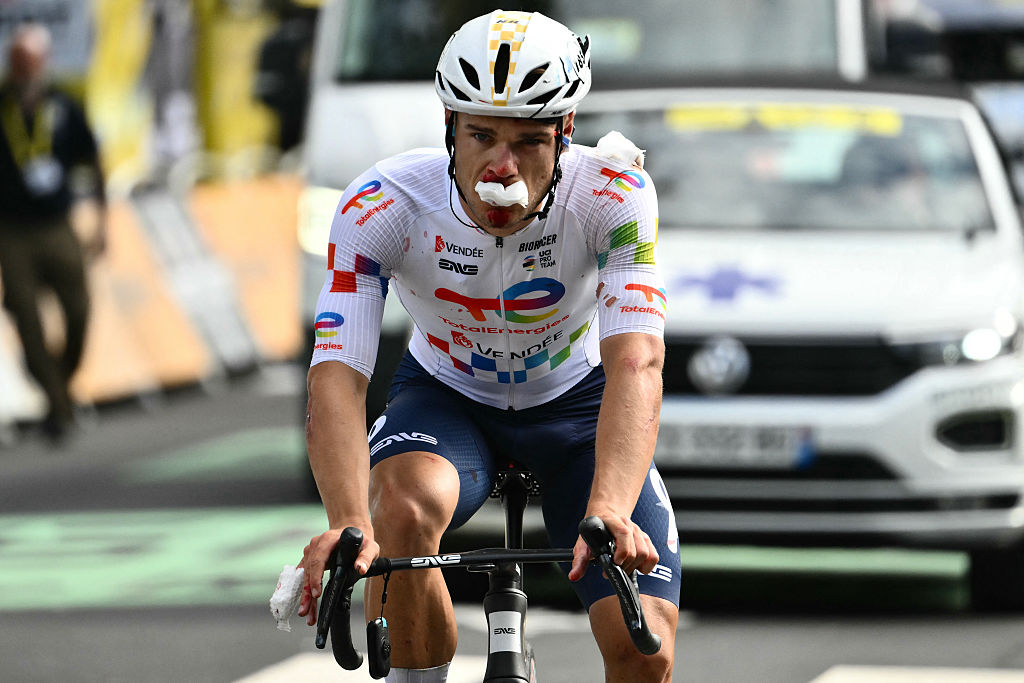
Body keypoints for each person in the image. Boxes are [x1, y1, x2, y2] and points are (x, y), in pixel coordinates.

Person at [298, 10, 678, 682]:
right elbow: (337, 371)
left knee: (646, 651)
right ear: (449, 127)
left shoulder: (615, 196)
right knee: (403, 510)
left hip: (577, 406)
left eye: (530, 142)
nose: (501, 168)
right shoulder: (380, 204)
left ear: (566, 134)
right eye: (481, 135)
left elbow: (636, 358)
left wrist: (612, 505)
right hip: (448, 400)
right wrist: (347, 520)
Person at [0, 23, 107, 440]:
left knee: (78, 310)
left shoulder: (63, 105)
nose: (23, 72)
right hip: (13, 229)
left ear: (43, 64)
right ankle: (59, 407)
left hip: (57, 224)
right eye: (16, 64)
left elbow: (94, 159)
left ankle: (58, 386)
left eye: (29, 63)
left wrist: (102, 221)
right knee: (25, 314)